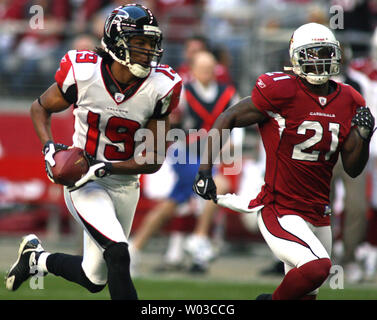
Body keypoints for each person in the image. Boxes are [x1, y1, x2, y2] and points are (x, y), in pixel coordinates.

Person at [5, 4, 182, 300]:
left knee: (94, 277)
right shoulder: (84, 72)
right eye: (140, 43)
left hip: (124, 182)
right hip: (83, 180)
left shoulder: (161, 86)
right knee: (119, 253)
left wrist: (107, 167)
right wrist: (49, 148)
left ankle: (37, 259)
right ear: (117, 42)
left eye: (151, 43)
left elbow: (152, 159)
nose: (148, 51)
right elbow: (40, 108)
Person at [193, 22, 375, 300]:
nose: (320, 61)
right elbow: (227, 117)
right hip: (281, 209)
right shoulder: (281, 89)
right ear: (297, 58)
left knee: (306, 294)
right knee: (319, 267)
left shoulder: (350, 98)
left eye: (325, 53)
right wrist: (205, 169)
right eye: (312, 55)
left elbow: (353, 168)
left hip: (319, 213)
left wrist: (362, 137)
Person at [129, 51, 239, 273]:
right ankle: (199, 238)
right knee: (216, 185)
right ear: (193, 69)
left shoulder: (228, 94)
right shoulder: (183, 92)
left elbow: (237, 122)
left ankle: (133, 248)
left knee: (171, 204)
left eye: (210, 68)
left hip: (210, 155)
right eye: (201, 68)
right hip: (184, 153)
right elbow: (166, 120)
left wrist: (233, 142)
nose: (206, 73)